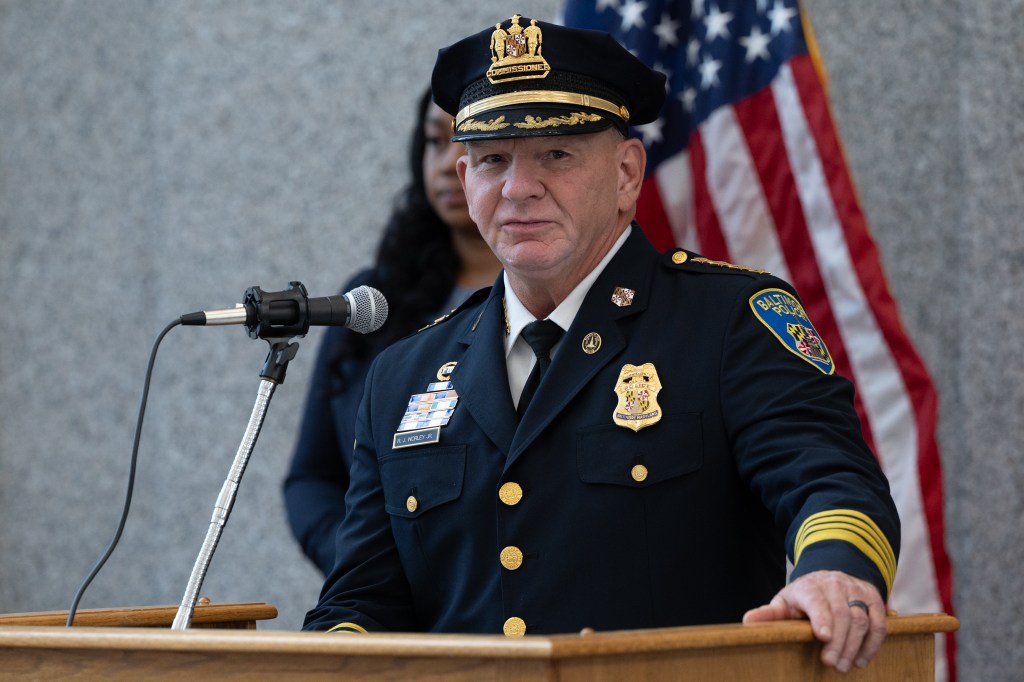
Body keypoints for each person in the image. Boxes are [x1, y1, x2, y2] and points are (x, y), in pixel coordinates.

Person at [303, 16, 900, 676]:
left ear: (625, 172)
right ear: (465, 176)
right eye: (493, 160)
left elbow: (830, 479)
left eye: (557, 154)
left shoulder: (728, 322)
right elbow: (361, 601)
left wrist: (832, 572)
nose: (518, 188)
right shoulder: (403, 375)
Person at [283, 89, 501, 575]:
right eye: (432, 142)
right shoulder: (372, 301)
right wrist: (360, 568)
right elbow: (311, 478)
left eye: (468, 143)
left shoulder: (545, 301)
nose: (447, 165)